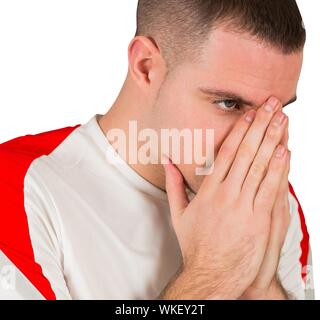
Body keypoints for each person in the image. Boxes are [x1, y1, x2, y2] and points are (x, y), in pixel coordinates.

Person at [0, 0, 314, 300]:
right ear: (146, 66)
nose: (255, 143)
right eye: (229, 104)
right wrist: (211, 276)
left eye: (275, 113)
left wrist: (261, 289)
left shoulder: (274, 200)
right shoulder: (18, 188)